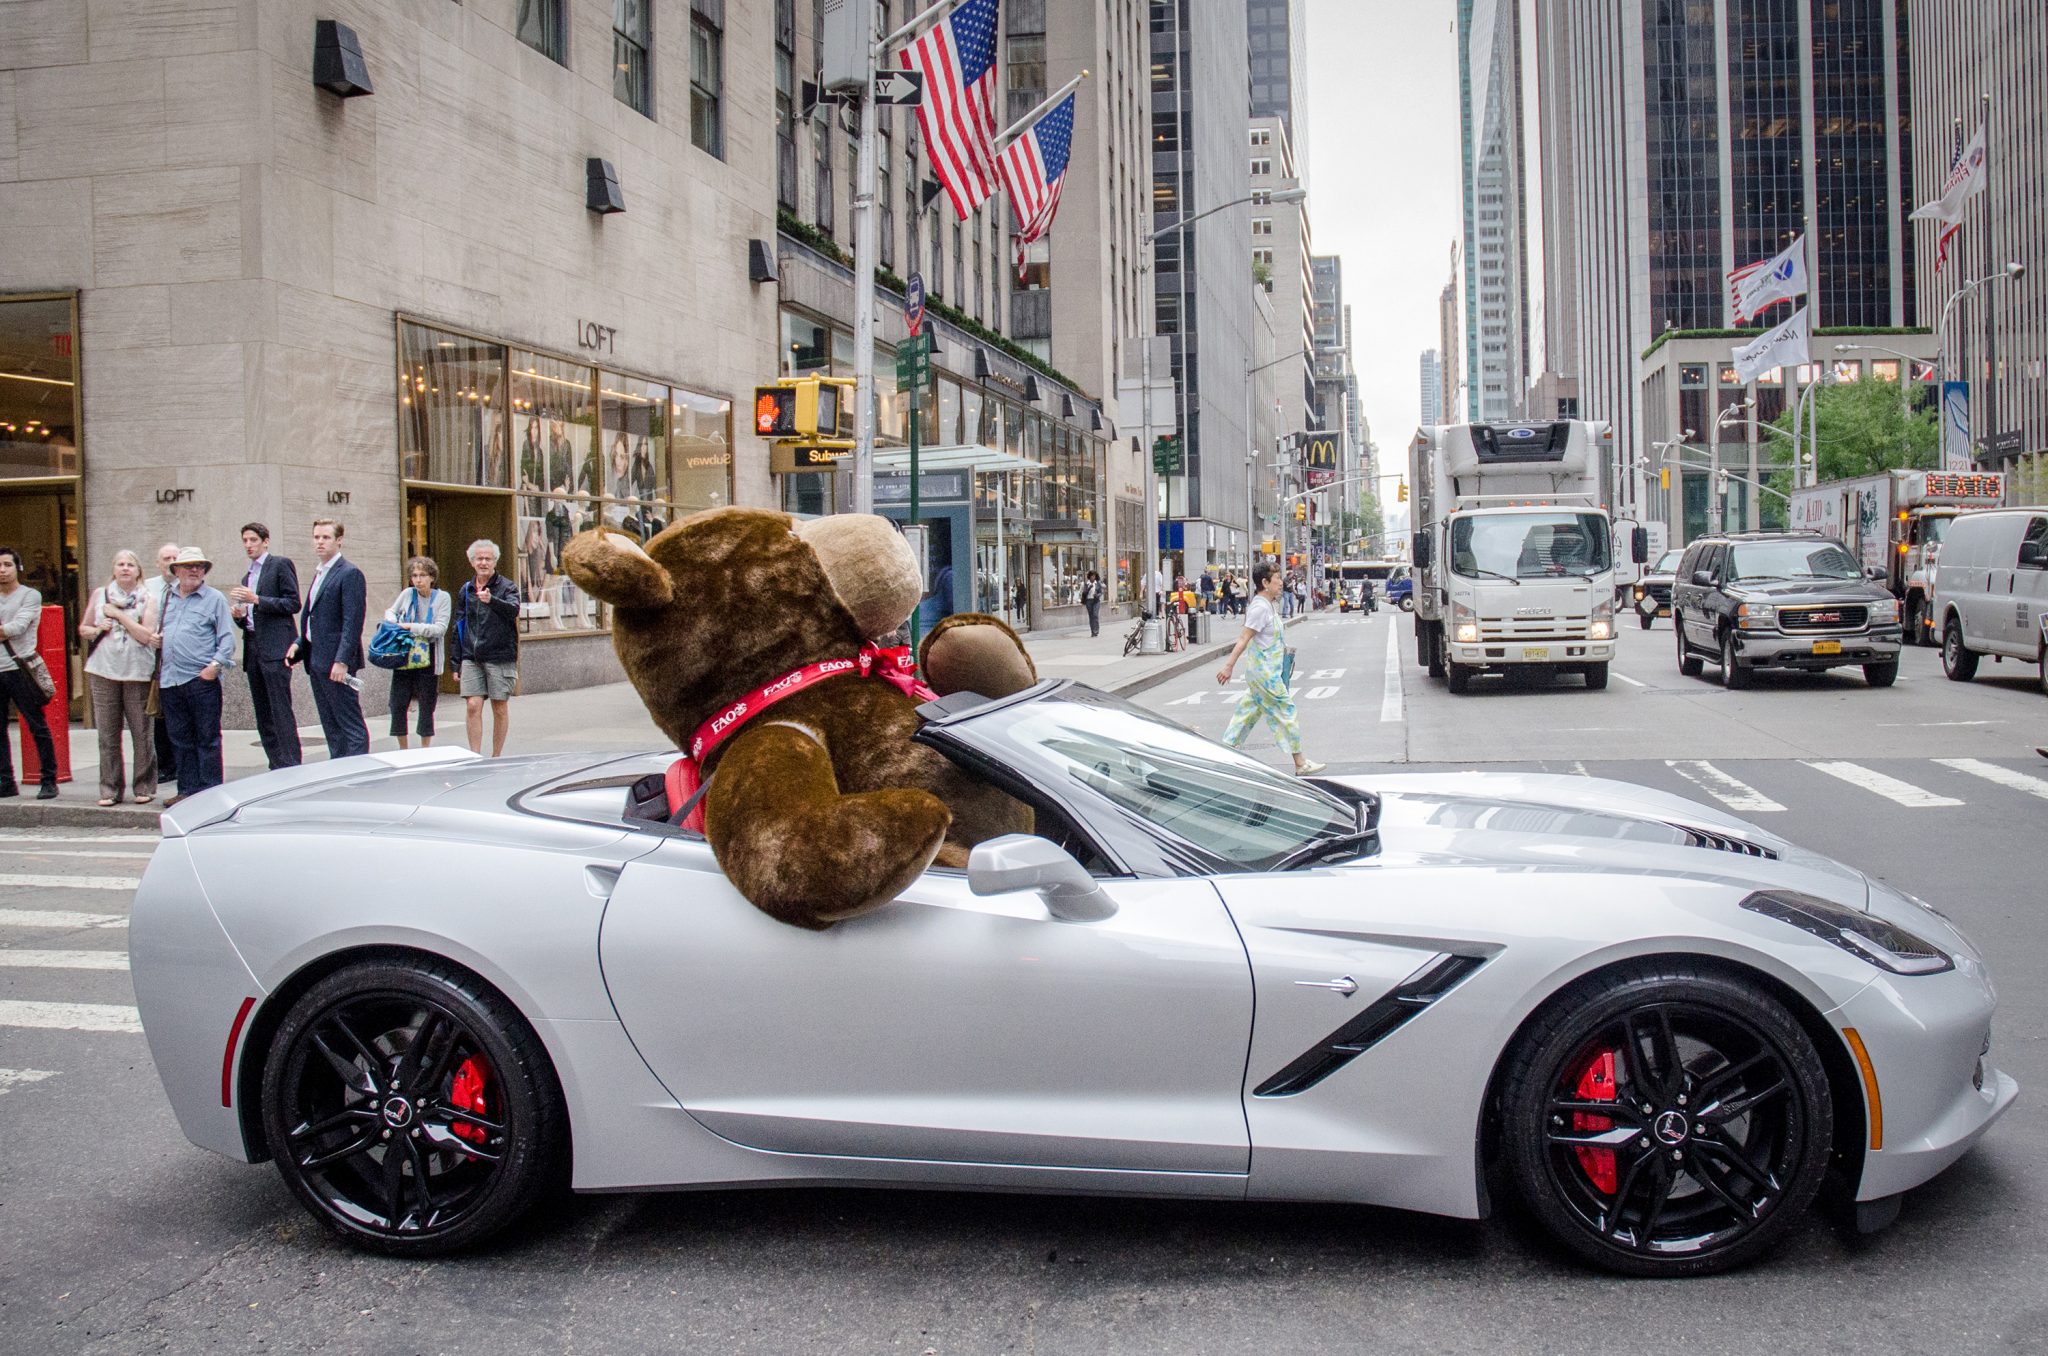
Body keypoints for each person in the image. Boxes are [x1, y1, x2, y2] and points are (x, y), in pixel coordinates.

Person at [1214, 562, 1324, 777]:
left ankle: (1223, 755)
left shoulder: (1266, 605)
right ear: (1264, 583)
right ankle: (1300, 762)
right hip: (1265, 675)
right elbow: (1244, 638)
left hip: (1264, 672)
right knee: (1286, 711)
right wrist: (1229, 666)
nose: (1281, 583)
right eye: (1276, 580)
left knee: (1246, 713)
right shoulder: (1259, 608)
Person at [80, 550, 160, 805]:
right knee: (107, 733)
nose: (125, 568)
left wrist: (118, 615)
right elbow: (84, 628)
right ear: (114, 570)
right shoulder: (100, 595)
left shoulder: (149, 598)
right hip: (104, 669)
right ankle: (109, 788)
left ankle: (144, 786)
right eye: (120, 564)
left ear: (138, 571)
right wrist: (96, 628)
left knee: (142, 732)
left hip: (137, 671)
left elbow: (146, 635)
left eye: (130, 565)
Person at [157, 546, 237, 804]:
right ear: (176, 571)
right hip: (170, 679)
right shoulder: (167, 597)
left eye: (199, 566)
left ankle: (211, 793)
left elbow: (227, 639)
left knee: (207, 738)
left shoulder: (214, 598)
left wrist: (213, 667)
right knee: (180, 739)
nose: (194, 570)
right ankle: (187, 790)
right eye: (188, 566)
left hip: (201, 679)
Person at [286, 518, 369, 759]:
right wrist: (300, 643)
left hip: (336, 663)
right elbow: (315, 617)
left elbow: (352, 622)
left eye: (326, 537)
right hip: (317, 660)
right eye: (316, 537)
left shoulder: (349, 573)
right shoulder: (321, 572)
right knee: (331, 726)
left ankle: (358, 774)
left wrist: (342, 661)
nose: (320, 542)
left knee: (349, 724)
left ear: (339, 540)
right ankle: (339, 771)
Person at [225, 521, 302, 769]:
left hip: (276, 648)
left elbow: (293, 603)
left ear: (265, 541)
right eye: (245, 541)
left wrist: (256, 599)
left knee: (280, 709)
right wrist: (239, 616)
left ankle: (290, 764)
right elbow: (251, 618)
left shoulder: (279, 565)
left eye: (253, 540)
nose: (248, 545)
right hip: (253, 647)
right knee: (263, 712)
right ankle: (275, 762)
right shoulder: (247, 576)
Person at [0, 546, 58, 799]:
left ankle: (49, 779)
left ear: (17, 568)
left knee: (37, 725)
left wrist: (6, 629)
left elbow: (17, 627)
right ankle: (5, 781)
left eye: (7, 565)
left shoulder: (29, 595)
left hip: (20, 668)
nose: (2, 570)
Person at [453, 539, 520, 756]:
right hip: (472, 656)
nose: (483, 562)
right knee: (473, 704)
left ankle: (496, 756)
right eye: (479, 558)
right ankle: (475, 755)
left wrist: (492, 601)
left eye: (488, 559)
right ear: (472, 562)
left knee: (499, 706)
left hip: (499, 655)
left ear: (495, 561)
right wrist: (456, 662)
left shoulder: (507, 587)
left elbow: (513, 610)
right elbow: (459, 626)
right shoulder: (466, 589)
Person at [382, 555, 450, 750]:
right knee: (397, 703)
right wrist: (394, 623)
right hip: (404, 654)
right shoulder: (407, 594)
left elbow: (439, 629)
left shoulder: (442, 598)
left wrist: (410, 626)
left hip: (429, 656)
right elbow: (391, 612)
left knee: (427, 706)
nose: (418, 580)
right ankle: (403, 749)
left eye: (422, 575)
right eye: (414, 575)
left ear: (431, 577)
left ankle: (424, 749)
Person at [144, 541, 179, 796]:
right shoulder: (148, 588)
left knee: (177, 716)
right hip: (153, 660)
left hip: (178, 660)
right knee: (158, 715)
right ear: (158, 563)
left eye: (174, 558)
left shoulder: (187, 586)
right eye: (165, 558)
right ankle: (165, 765)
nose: (170, 562)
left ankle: (179, 763)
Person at [1080, 569, 1103, 637]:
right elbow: (1083, 593)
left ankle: (1096, 630)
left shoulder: (1098, 583)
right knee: (1091, 616)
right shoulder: (1086, 584)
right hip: (1088, 601)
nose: (1093, 577)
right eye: (1092, 576)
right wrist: (1089, 588)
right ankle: (1093, 631)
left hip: (1096, 601)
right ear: (1089, 576)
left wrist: (1097, 595)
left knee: (1095, 615)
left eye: (1094, 576)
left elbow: (1101, 592)